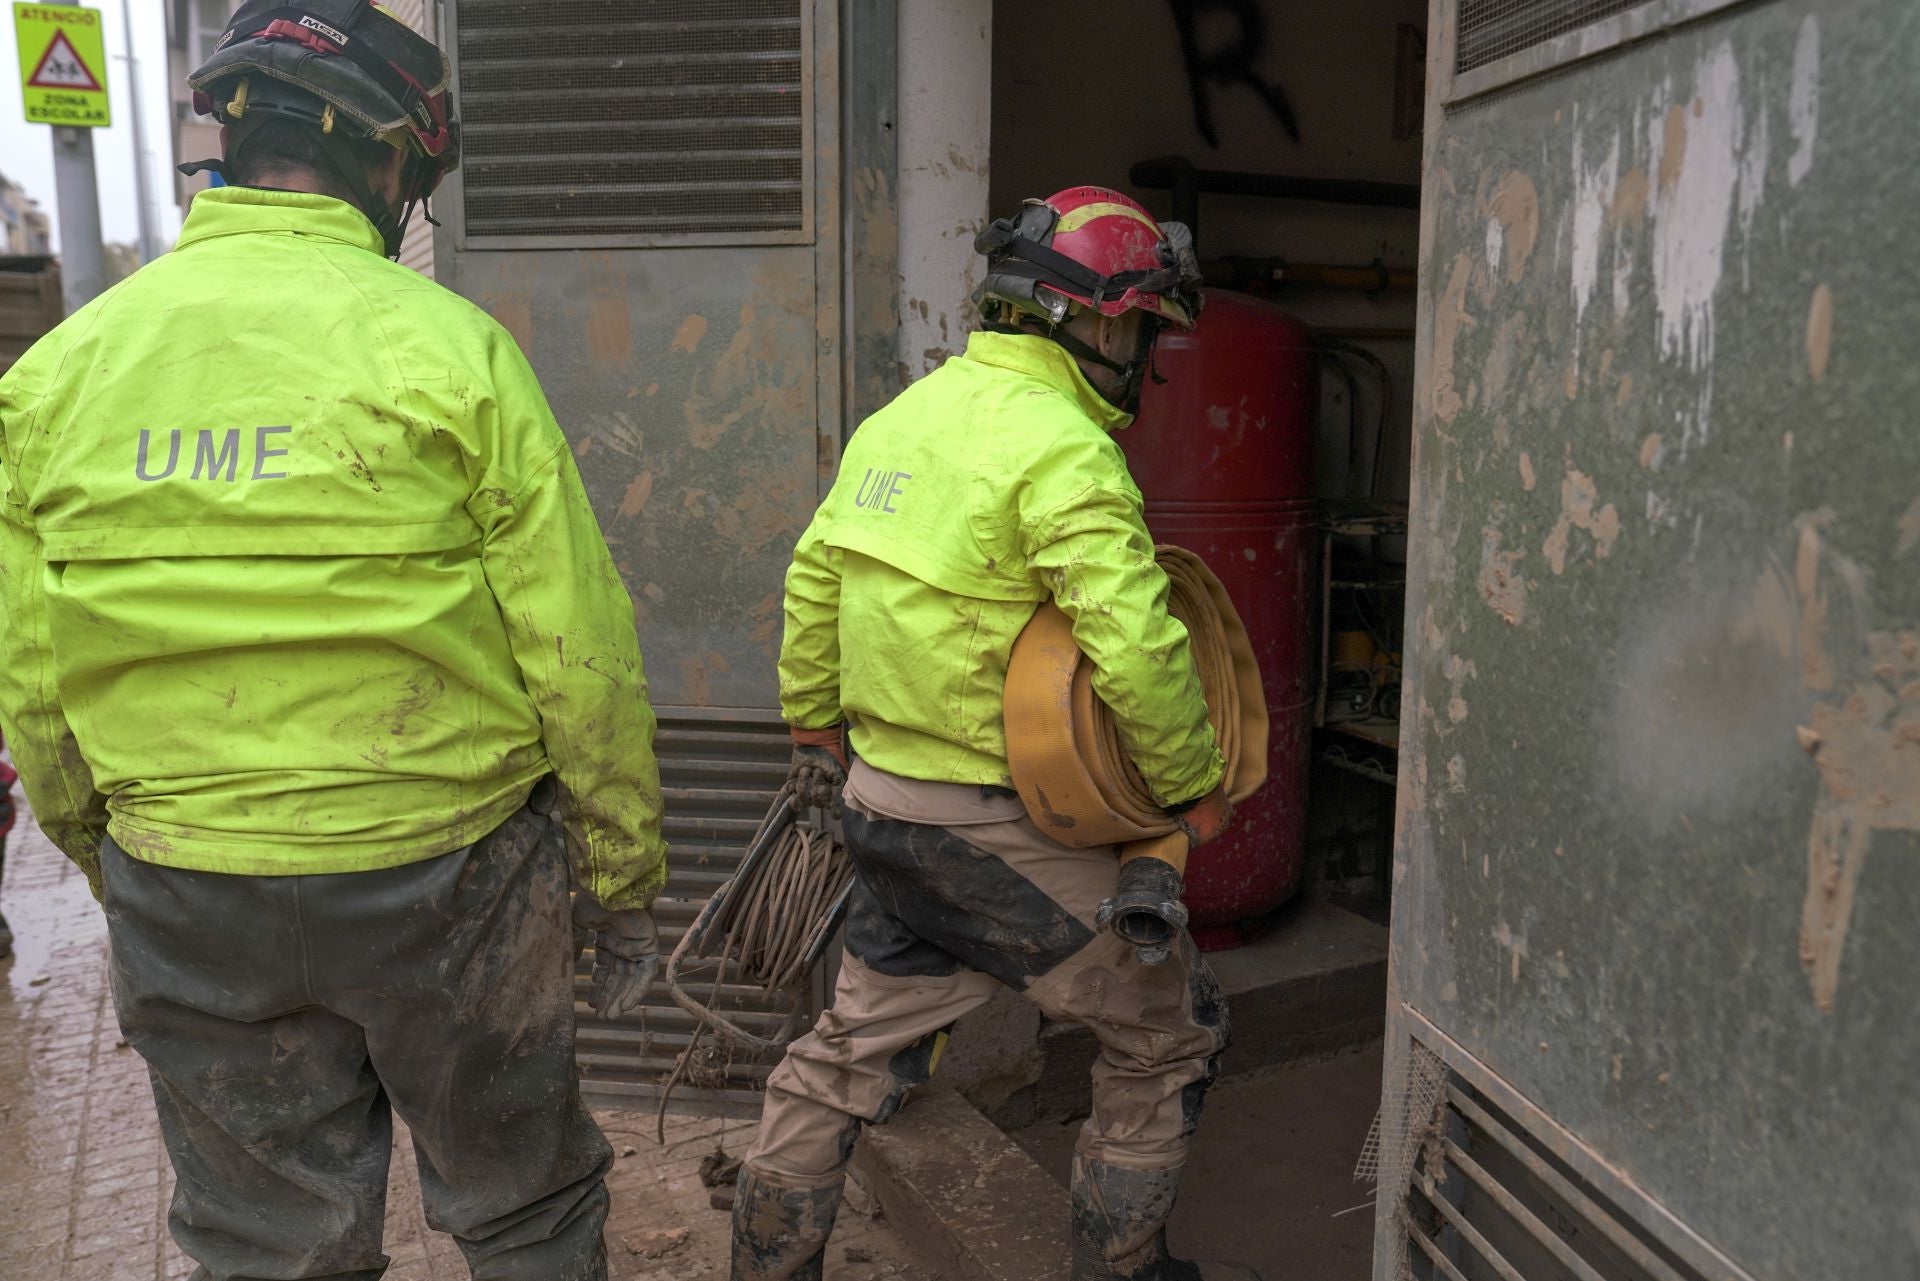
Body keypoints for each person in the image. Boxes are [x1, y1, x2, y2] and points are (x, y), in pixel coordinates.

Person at [0, 4, 665, 1277]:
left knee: (265, 1244)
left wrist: (113, 859)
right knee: (527, 1209)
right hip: (450, 875)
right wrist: (621, 875)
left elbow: (31, 683)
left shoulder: (60, 374)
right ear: (387, 163)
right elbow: (579, 651)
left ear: (234, 145)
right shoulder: (453, 351)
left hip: (188, 877)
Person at [732, 187, 1254, 1281]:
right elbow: (1138, 643)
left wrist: (814, 724)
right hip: (995, 832)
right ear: (1104, 323)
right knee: (1170, 1032)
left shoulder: (905, 419)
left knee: (841, 1056)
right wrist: (1195, 788)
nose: (1144, 358)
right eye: (1146, 331)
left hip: (881, 811)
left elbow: (814, 578)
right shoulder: (1063, 451)